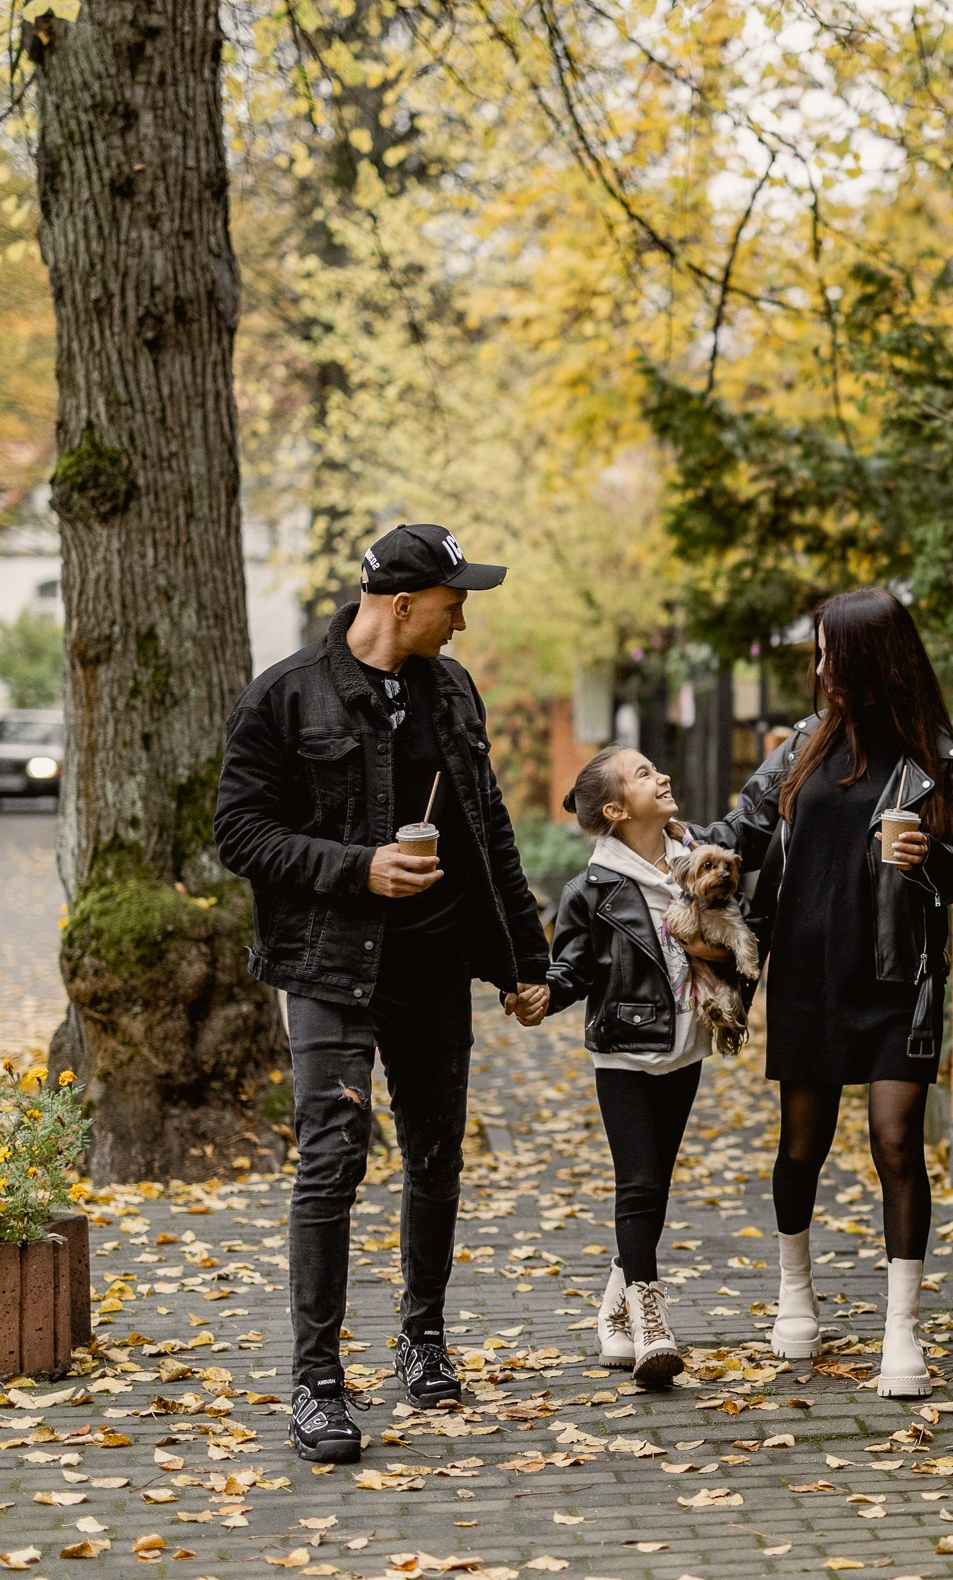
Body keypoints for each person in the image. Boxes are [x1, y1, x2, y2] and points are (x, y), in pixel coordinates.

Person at [213, 523, 553, 1465]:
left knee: (437, 1153)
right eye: (455, 603)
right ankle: (317, 1386)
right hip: (330, 965)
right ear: (403, 604)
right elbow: (239, 832)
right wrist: (356, 868)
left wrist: (529, 960)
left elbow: (486, 827)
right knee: (331, 1160)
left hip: (435, 967)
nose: (464, 621)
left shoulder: (452, 690)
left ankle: (423, 1338)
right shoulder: (285, 697)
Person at [700, 588, 953, 1398]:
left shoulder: (940, 756)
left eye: (830, 650)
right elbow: (744, 827)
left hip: (898, 978)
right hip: (806, 974)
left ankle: (901, 1331)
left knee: (896, 1141)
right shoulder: (803, 744)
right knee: (803, 1142)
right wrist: (668, 839)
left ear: (869, 656)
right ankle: (796, 1291)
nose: (819, 664)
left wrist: (928, 859)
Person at [529, 746, 727, 1388]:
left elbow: (731, 938)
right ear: (616, 810)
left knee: (657, 1183)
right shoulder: (591, 889)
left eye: (655, 768)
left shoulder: (696, 860)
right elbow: (573, 967)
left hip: (686, 1045)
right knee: (638, 1182)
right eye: (644, 775)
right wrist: (542, 995)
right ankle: (650, 1319)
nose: (663, 775)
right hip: (623, 1049)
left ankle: (612, 1309)